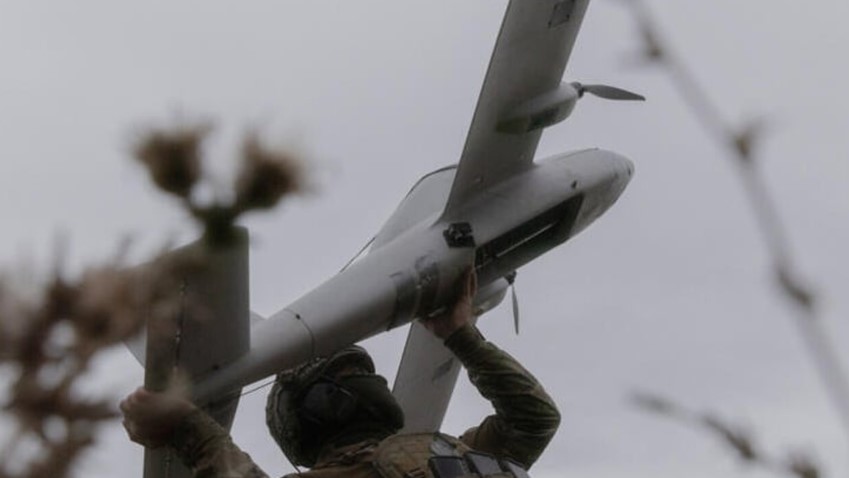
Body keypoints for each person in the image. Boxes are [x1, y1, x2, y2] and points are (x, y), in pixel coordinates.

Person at [121, 268, 560, 477]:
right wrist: (187, 427)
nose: (373, 381)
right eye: (349, 373)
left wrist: (461, 336)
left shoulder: (450, 452)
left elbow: (535, 419)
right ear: (318, 406)